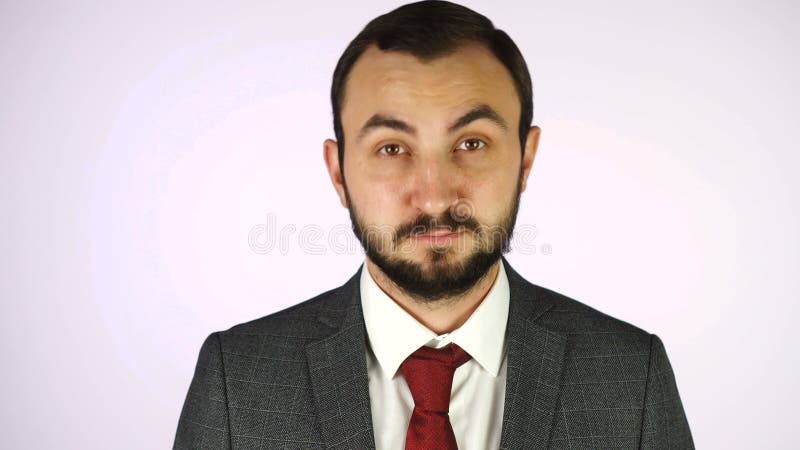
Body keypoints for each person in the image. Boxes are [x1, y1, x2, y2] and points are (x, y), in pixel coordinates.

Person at [173, 1, 693, 449]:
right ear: (338, 172)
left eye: (471, 143)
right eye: (392, 148)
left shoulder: (632, 378)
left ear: (526, 159)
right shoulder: (236, 381)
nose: (435, 194)